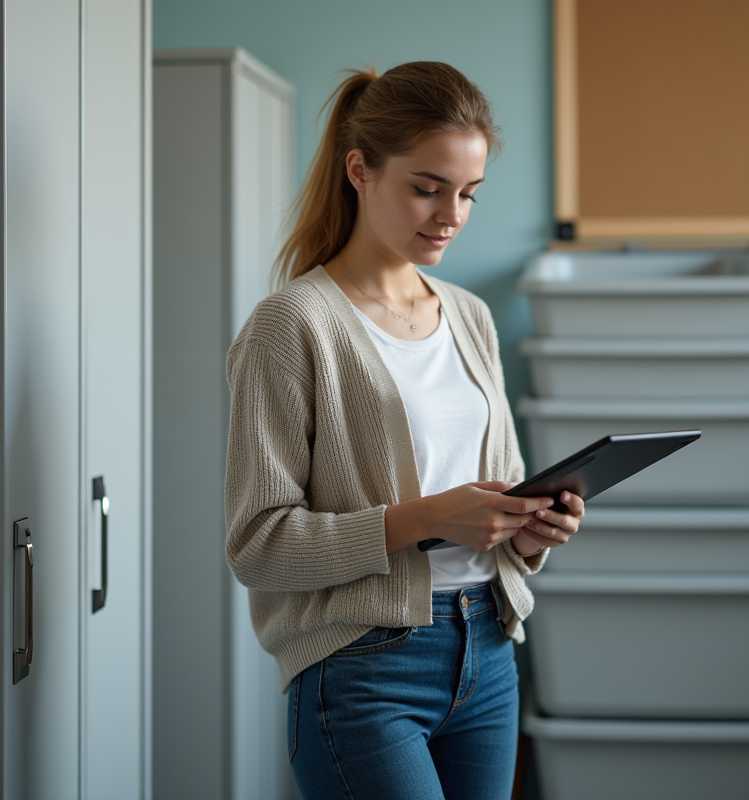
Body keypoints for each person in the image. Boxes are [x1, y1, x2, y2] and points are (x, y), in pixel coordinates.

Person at [224, 61, 584, 800]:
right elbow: (258, 546)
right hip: (363, 668)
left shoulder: (470, 315)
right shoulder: (292, 325)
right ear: (360, 169)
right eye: (426, 187)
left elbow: (500, 488)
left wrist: (525, 529)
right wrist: (424, 520)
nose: (450, 213)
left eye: (468, 194)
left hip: (489, 649)